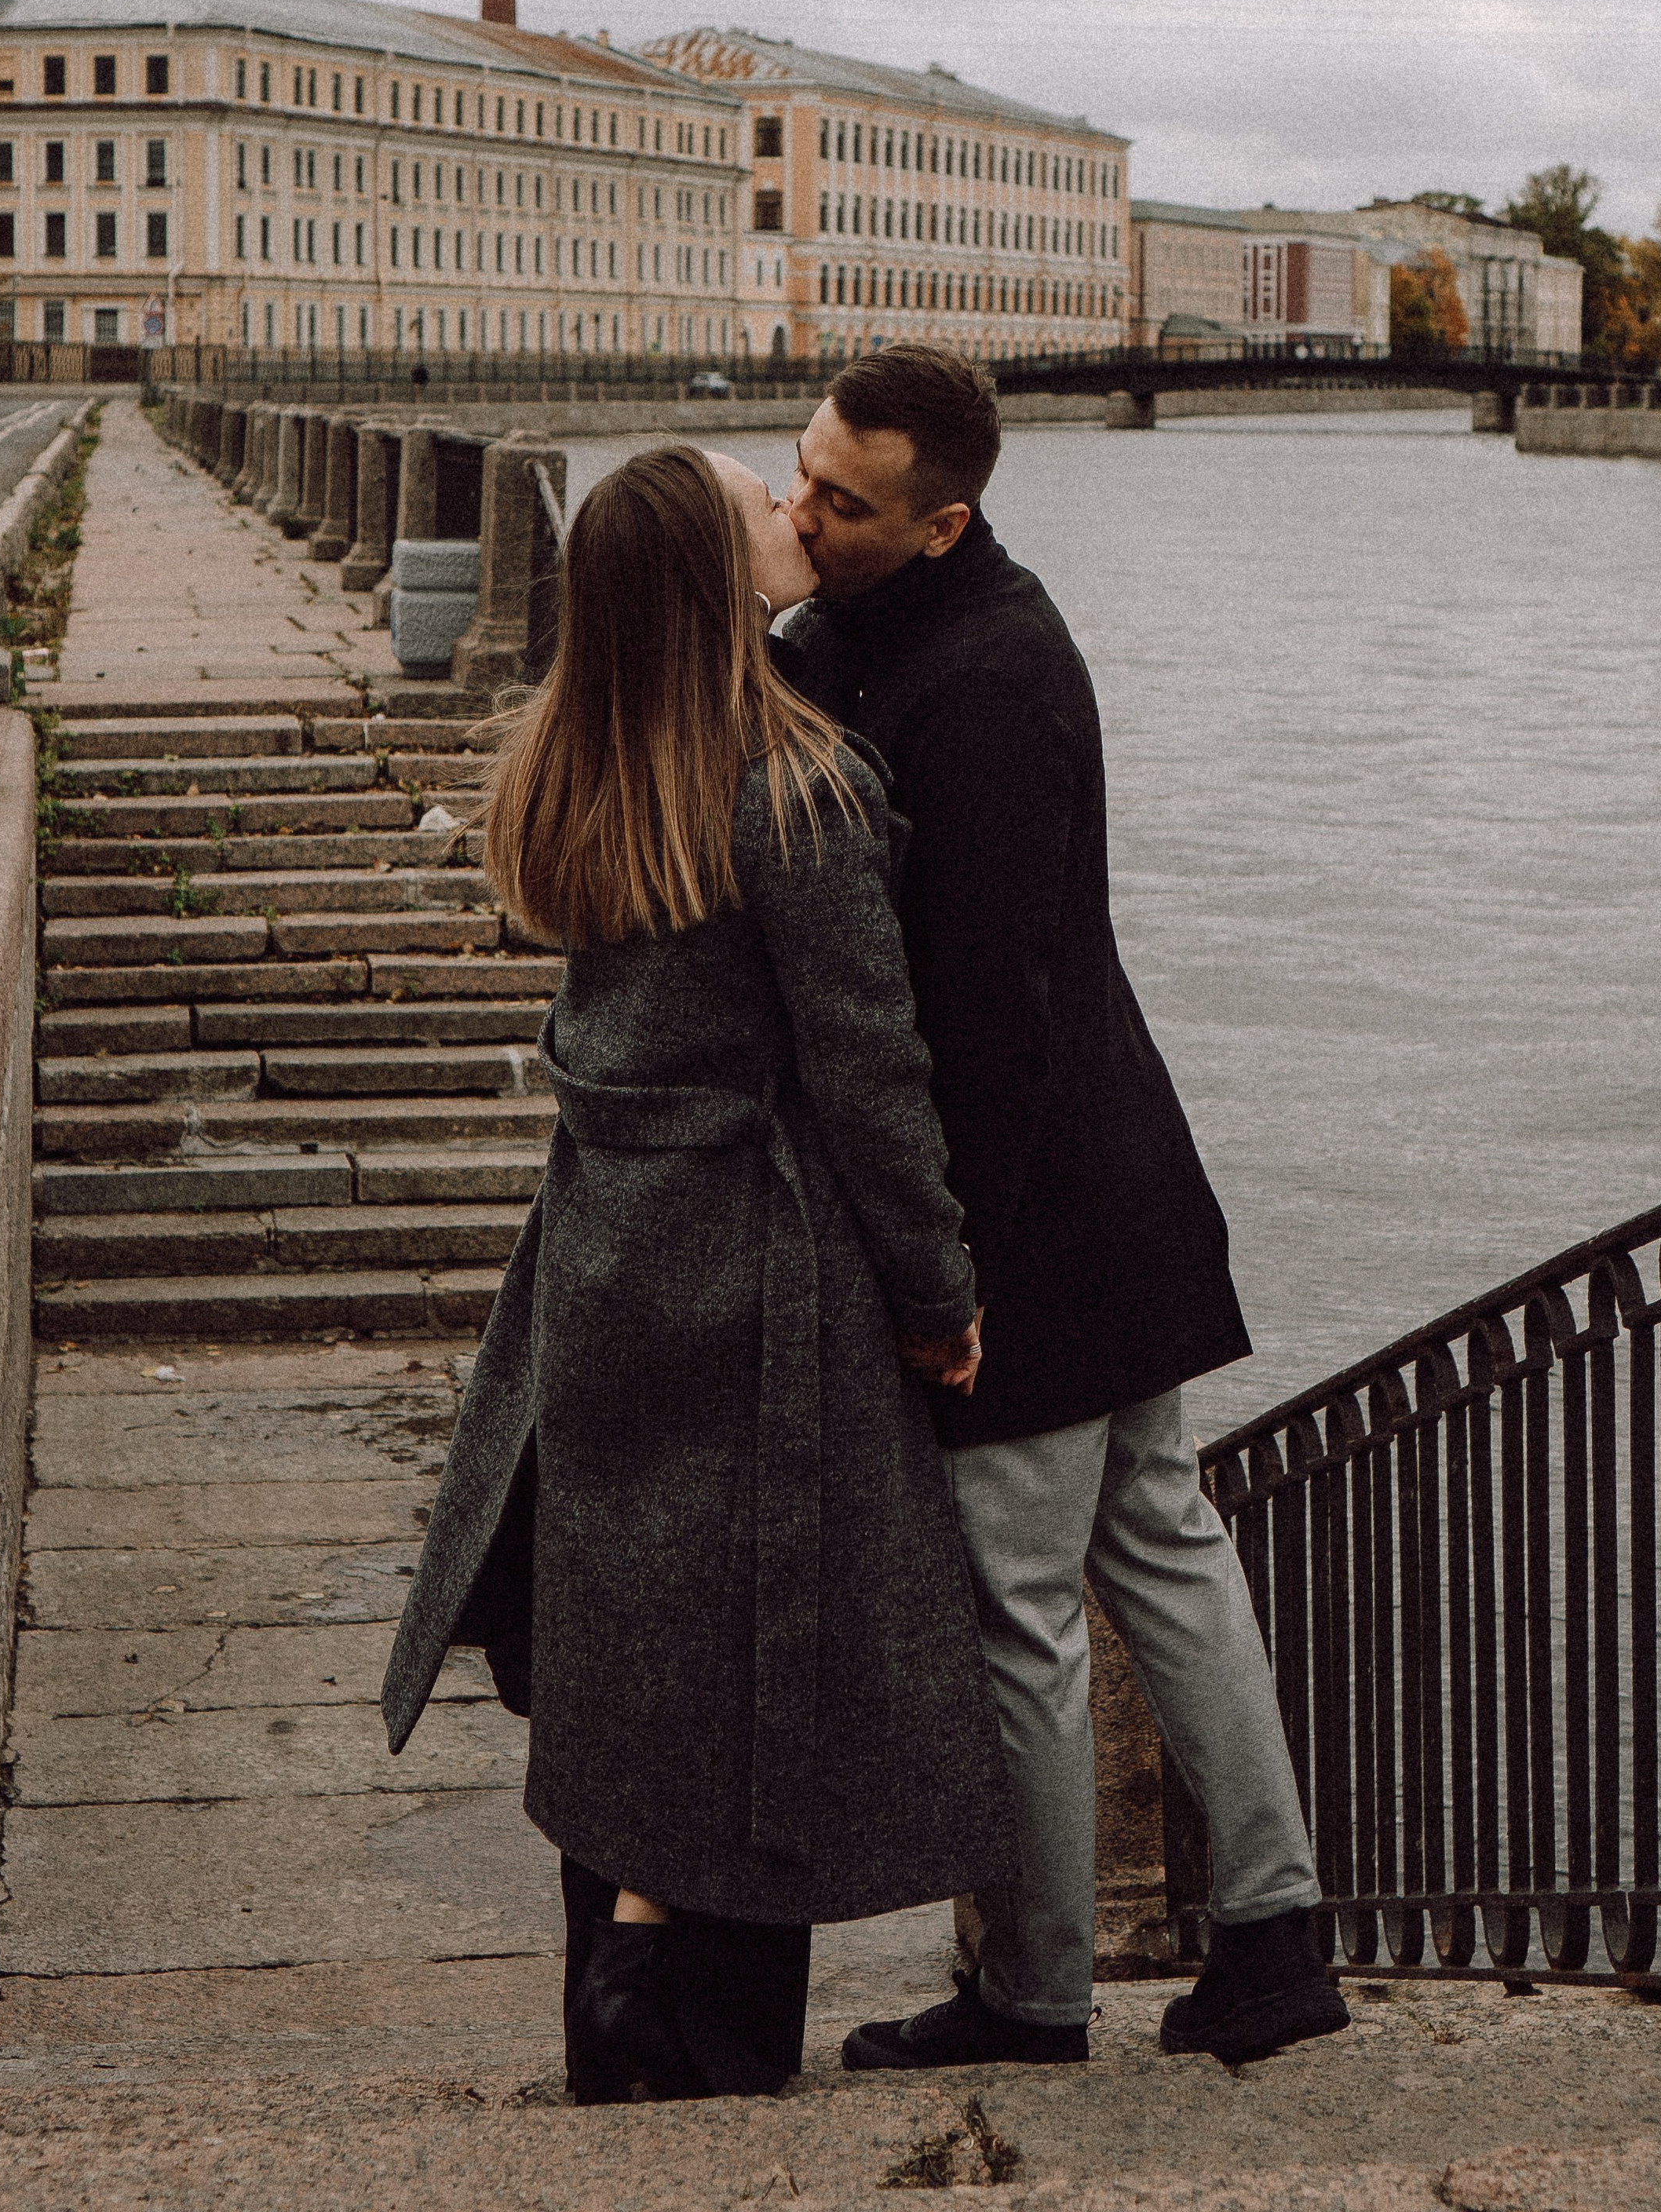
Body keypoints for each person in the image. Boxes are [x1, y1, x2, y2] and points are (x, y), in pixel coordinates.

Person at [381, 443, 1014, 2104]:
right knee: (758, 1646)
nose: (792, 514)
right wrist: (937, 1296)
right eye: (763, 505)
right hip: (753, 1267)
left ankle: (618, 1978)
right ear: (714, 579)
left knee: (622, 1630)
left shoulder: (569, 765)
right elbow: (871, 1078)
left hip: (600, 1253)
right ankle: (700, 2025)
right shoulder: (797, 791)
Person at [774, 345, 1349, 2073]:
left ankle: (1030, 1999)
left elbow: (990, 1014)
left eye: (842, 504)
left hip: (1036, 1217)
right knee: (1163, 1553)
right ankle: (1273, 1937)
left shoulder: (989, 681)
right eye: (797, 474)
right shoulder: (914, 632)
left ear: (945, 522)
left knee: (1020, 1611)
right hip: (1124, 1194)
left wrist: (946, 1277)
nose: (803, 514)